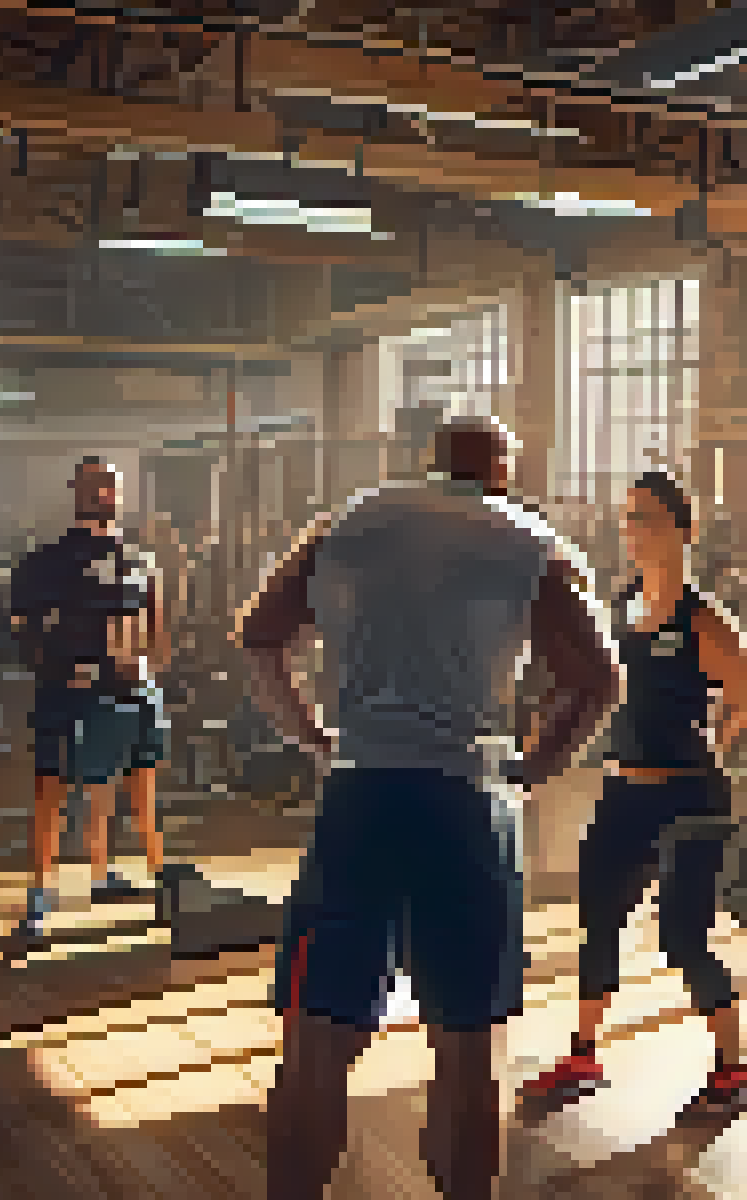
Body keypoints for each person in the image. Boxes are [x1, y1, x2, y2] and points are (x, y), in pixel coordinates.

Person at [236, 416, 619, 1200]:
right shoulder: (524, 538)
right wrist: (535, 767)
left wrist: (314, 737)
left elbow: (260, 636)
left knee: (315, 1043)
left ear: (432, 465)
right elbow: (599, 678)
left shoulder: (350, 524)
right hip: (466, 799)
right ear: (501, 471)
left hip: (362, 793)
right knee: (468, 1046)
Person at [520, 468, 747, 1117]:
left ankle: (731, 1071)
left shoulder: (704, 619)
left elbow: (742, 701)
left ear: (683, 530)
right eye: (627, 518)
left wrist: (712, 755)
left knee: (684, 938)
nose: (632, 531)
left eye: (646, 517)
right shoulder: (619, 607)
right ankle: (582, 1055)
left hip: (688, 802)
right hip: (622, 795)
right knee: (598, 927)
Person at [6, 459, 173, 939]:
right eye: (95, 484)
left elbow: (156, 624)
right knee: (54, 787)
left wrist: (148, 669)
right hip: (71, 690)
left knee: (138, 786)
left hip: (134, 689)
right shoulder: (46, 562)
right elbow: (21, 629)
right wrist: (62, 667)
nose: (104, 493)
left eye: (111, 486)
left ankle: (130, 878)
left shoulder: (141, 562)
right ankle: (42, 889)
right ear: (75, 490)